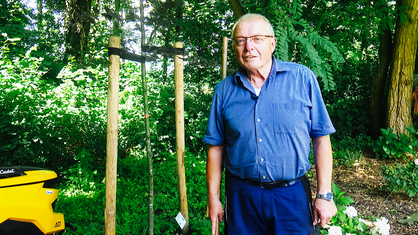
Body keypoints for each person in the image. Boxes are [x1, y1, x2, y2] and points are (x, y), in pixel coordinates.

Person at [203, 13, 337, 235]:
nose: (248, 47)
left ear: (272, 43)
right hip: (241, 198)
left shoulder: (302, 79)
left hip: (291, 196)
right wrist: (213, 199)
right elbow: (215, 148)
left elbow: (321, 138)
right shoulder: (224, 91)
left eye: (257, 39)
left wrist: (324, 195)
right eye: (241, 41)